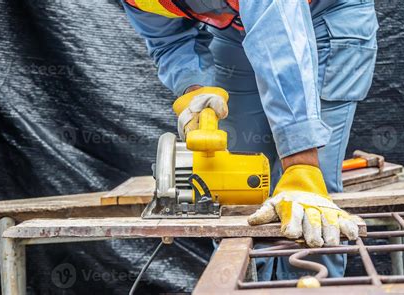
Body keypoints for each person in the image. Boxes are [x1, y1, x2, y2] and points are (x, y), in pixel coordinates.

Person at [122, 0, 379, 279]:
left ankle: (306, 282)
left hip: (326, 15)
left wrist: (301, 164)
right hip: (237, 28)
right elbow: (169, 41)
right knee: (236, 186)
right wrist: (196, 88)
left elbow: (281, 37)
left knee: (311, 197)